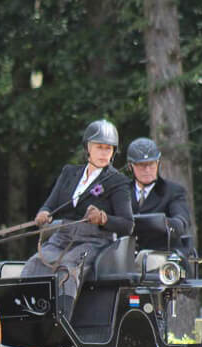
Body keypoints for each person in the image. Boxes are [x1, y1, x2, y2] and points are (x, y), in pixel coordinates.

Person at [21, 118, 134, 319]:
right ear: (87, 148)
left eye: (108, 149)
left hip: (94, 241)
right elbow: (51, 204)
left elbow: (128, 225)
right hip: (61, 236)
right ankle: (27, 317)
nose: (103, 153)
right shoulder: (68, 173)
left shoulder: (118, 181)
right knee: (34, 264)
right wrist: (43, 213)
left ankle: (60, 323)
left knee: (67, 268)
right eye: (99, 147)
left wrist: (103, 219)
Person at [125, 137, 192, 254]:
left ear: (158, 163)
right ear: (131, 166)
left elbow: (181, 222)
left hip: (162, 254)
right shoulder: (121, 192)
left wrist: (162, 222)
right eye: (141, 165)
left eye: (151, 164)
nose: (147, 170)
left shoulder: (173, 191)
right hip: (125, 256)